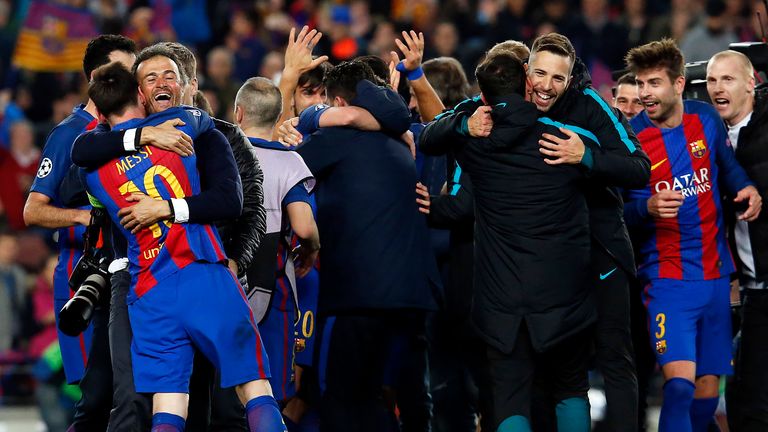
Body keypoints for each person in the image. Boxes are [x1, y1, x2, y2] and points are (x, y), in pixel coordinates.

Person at [83, 60, 284, 432]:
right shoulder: (180, 126)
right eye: (152, 79)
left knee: (168, 407)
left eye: (169, 75)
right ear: (140, 96)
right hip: (201, 272)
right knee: (254, 388)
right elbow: (231, 192)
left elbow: (82, 151)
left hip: (149, 292)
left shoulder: (92, 170)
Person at [421, 51, 595, 432]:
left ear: (482, 96)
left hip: (502, 301)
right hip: (563, 294)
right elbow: (628, 168)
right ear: (530, 83)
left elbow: (430, 136)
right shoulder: (567, 139)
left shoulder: (477, 144)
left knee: (510, 394)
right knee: (569, 388)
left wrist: (464, 125)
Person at [623, 38, 761, 432]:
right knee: (679, 386)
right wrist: (645, 207)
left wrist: (747, 186)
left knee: (705, 391)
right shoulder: (631, 139)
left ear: (679, 85)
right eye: (640, 83)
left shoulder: (704, 119)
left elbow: (726, 167)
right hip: (667, 280)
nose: (645, 93)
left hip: (715, 276)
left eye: (653, 84)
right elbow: (618, 211)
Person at [295, 61, 439, 431]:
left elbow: (280, 171)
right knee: (374, 396)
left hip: (359, 297)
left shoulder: (338, 139)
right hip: (410, 296)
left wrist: (303, 120)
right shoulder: (399, 140)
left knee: (339, 397)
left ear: (339, 103)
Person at [23, 34, 137, 432]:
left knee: (122, 398)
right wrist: (88, 217)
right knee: (96, 401)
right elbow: (32, 210)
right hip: (81, 280)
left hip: (126, 282)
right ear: (96, 77)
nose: (133, 78)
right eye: (124, 70)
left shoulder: (125, 129)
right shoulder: (70, 133)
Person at [234, 76, 319, 412]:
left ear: (238, 114)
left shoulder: (217, 155)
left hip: (222, 280)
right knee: (268, 390)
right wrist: (313, 246)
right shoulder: (289, 161)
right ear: (278, 116)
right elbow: (302, 224)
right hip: (272, 285)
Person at [706, 49, 768, 432]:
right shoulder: (710, 139)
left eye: (727, 79)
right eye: (711, 80)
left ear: (751, 83)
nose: (717, 88)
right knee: (744, 397)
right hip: (750, 289)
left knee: (753, 397)